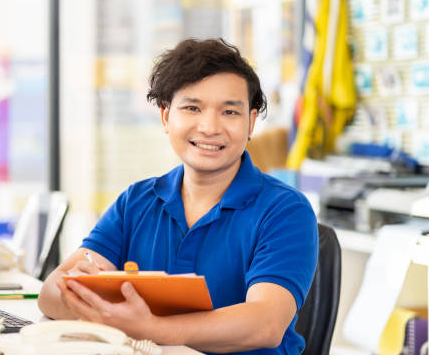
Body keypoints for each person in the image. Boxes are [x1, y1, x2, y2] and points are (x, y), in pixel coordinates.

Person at [38, 38, 318, 355]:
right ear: (165, 117)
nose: (210, 127)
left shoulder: (285, 210)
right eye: (192, 108)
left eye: (229, 111)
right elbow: (49, 293)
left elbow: (265, 324)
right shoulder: (136, 201)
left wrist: (149, 328)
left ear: (251, 122)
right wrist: (82, 292)